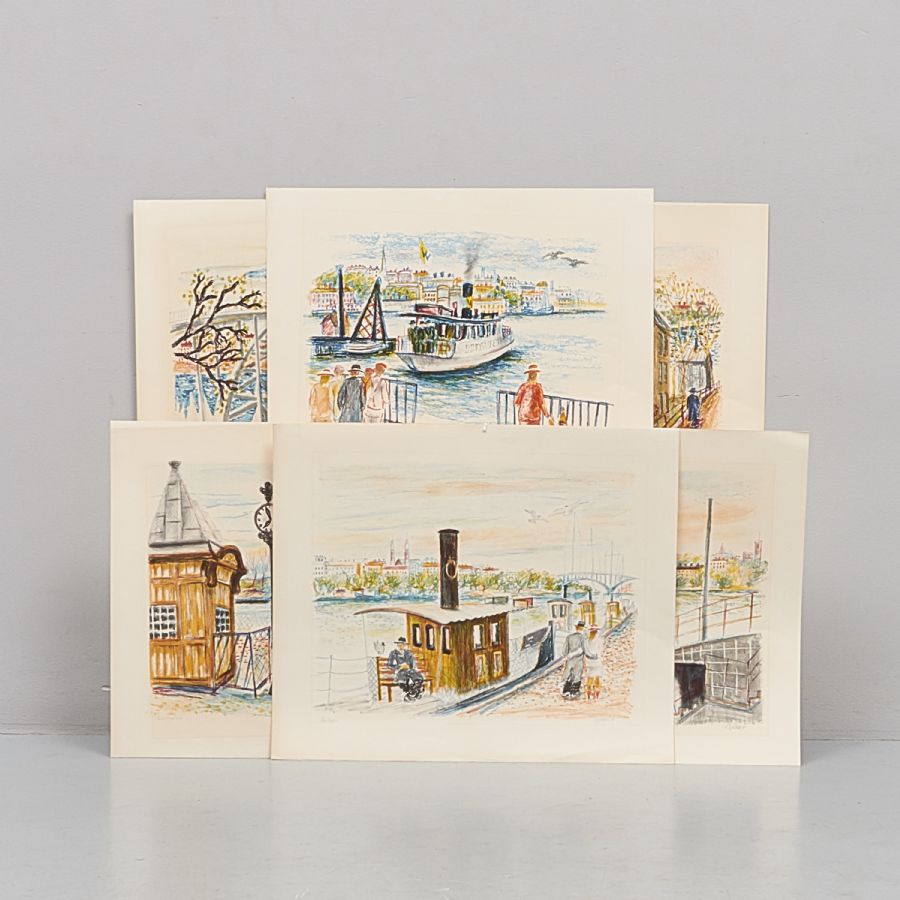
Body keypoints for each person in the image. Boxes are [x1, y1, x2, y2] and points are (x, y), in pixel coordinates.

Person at [561, 621, 597, 699]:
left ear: (576, 628)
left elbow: (564, 651)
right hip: (578, 661)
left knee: (569, 676)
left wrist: (569, 655)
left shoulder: (569, 637)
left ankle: (566, 692)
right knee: (577, 676)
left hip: (570, 661)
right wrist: (594, 656)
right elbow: (586, 652)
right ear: (583, 629)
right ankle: (574, 693)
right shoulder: (583, 638)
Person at [584, 625, 605, 700]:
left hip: (589, 662)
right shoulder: (599, 640)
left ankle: (588, 696)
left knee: (589, 678)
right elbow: (601, 650)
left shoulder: (586, 641)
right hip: (597, 662)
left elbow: (585, 651)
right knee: (597, 679)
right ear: (596, 632)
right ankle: (596, 696)